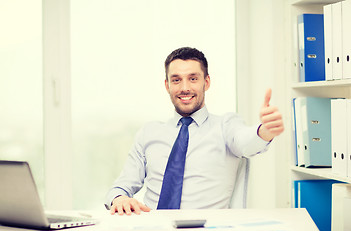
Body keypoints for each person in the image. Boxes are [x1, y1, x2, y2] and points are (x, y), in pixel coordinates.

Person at [105, 47, 284, 215]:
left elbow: (246, 142)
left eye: (193, 78)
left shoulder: (226, 125)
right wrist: (119, 198)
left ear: (206, 82)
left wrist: (265, 131)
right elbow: (122, 186)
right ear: (167, 85)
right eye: (176, 80)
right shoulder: (149, 133)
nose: (185, 88)